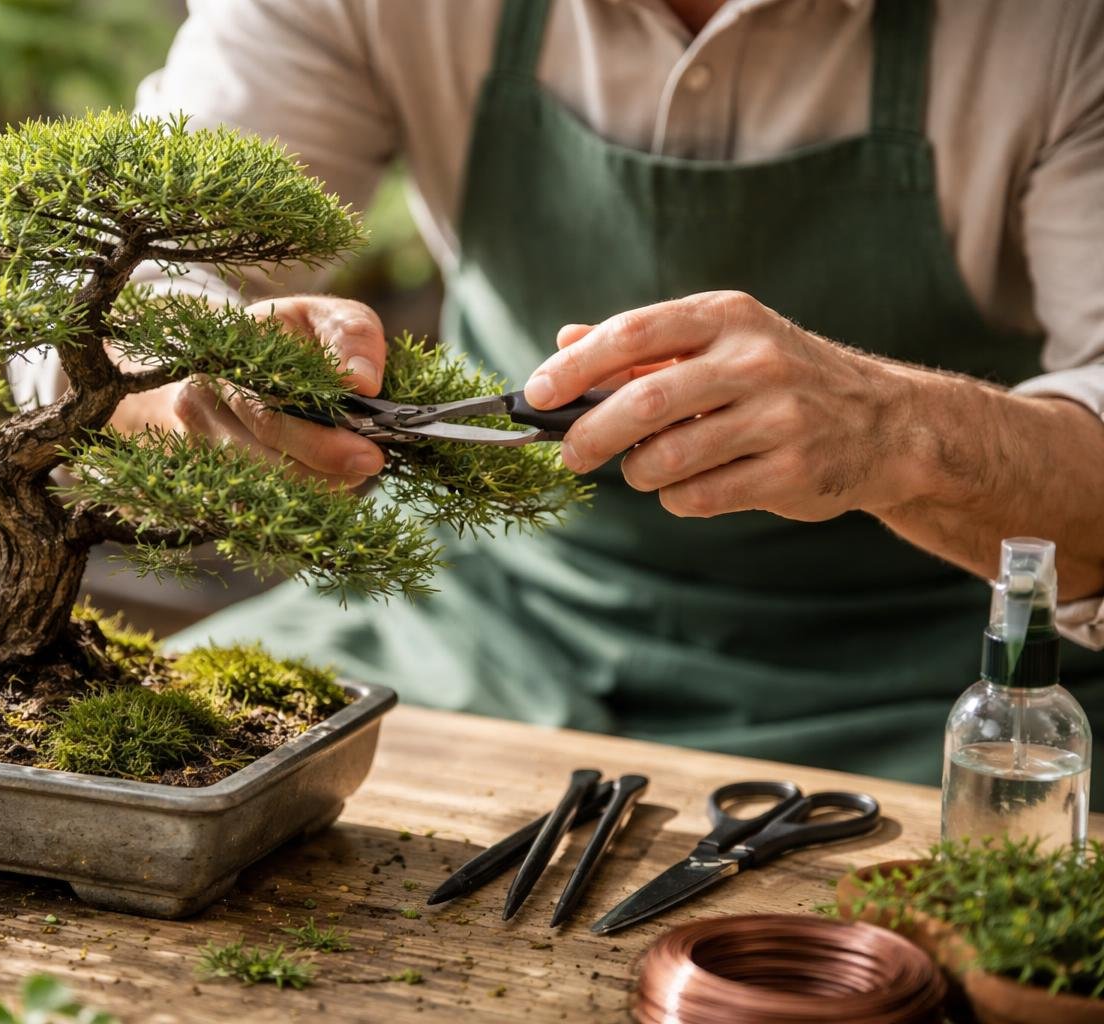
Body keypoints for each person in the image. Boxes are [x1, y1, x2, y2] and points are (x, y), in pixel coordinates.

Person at [93, 0, 1104, 790]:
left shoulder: (1053, 27)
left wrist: (900, 431)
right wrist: (195, 369)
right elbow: (116, 260)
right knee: (111, 770)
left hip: (927, 671)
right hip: (467, 609)